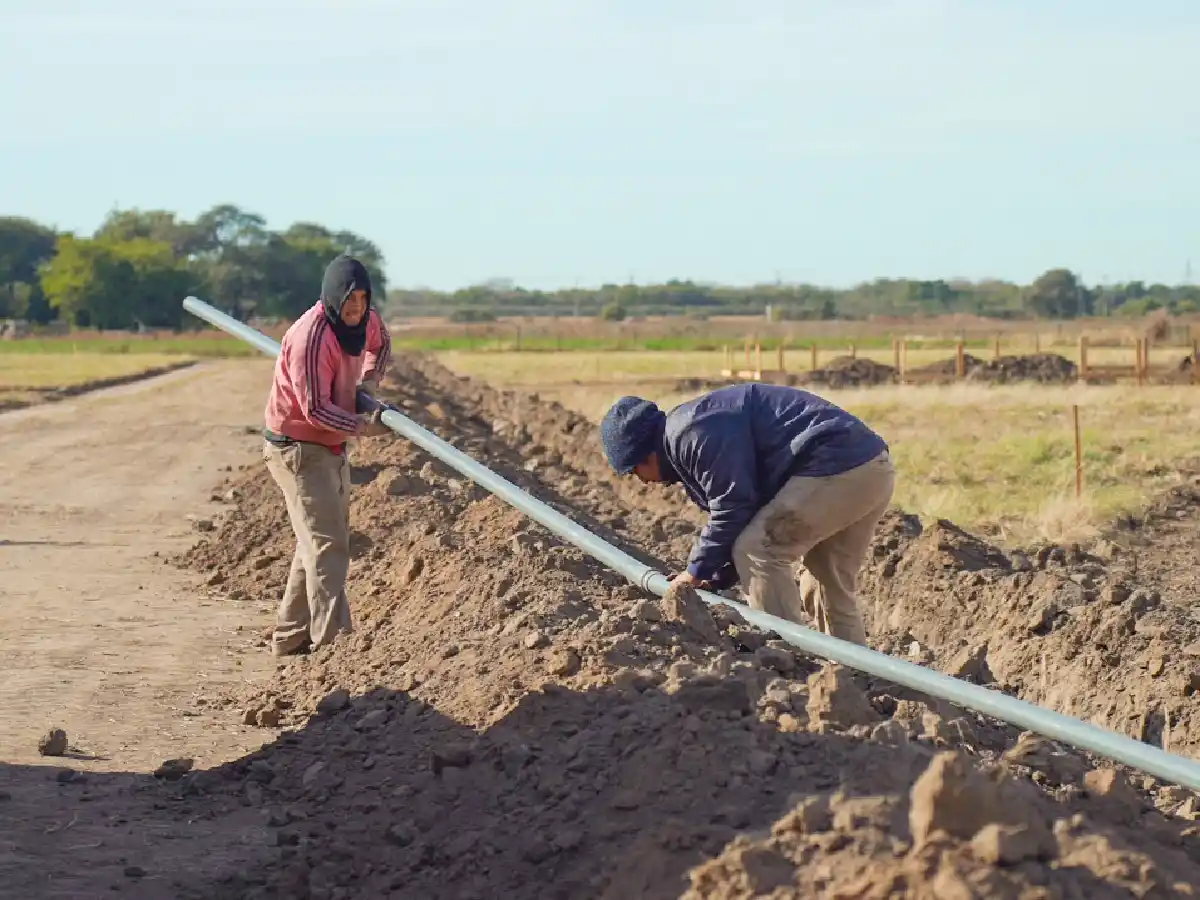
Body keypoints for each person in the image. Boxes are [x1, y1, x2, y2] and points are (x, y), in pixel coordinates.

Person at [599, 382, 894, 646]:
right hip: (871, 468)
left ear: (646, 454)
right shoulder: (687, 433)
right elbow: (744, 515)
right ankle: (854, 680)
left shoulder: (690, 433)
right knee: (824, 579)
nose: (643, 481)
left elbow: (734, 506)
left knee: (759, 550)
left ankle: (788, 662)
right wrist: (713, 578)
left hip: (838, 467)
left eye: (635, 471)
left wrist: (694, 573)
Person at [261, 254, 393, 656]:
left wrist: (368, 381)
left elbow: (381, 345)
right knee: (328, 547)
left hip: (332, 445)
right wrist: (365, 425)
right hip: (298, 449)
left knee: (315, 544)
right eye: (349, 302)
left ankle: (290, 637)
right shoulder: (311, 337)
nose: (355, 310)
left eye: (362, 301)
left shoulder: (365, 320)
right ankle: (336, 652)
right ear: (334, 298)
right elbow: (314, 408)